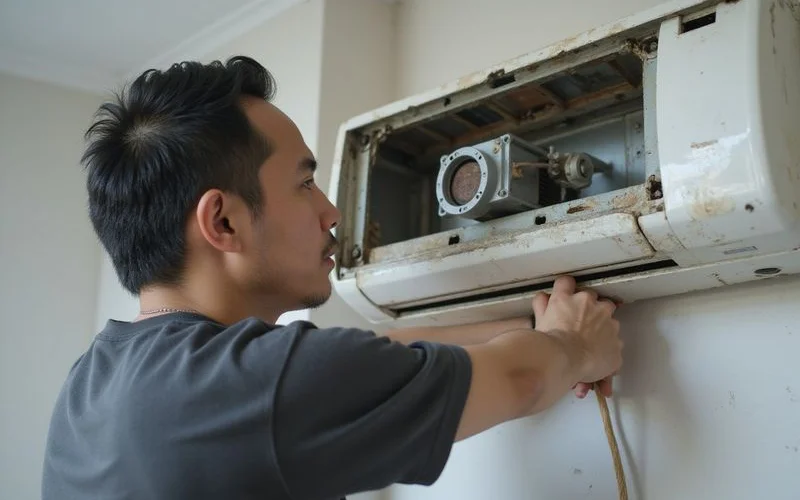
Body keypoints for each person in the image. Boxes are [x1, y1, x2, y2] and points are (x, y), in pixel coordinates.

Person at [42, 55, 623, 500]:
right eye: (304, 184)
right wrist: (574, 345)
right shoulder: (263, 386)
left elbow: (369, 353)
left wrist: (532, 322)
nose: (331, 212)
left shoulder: (91, 383)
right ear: (223, 221)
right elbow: (522, 380)